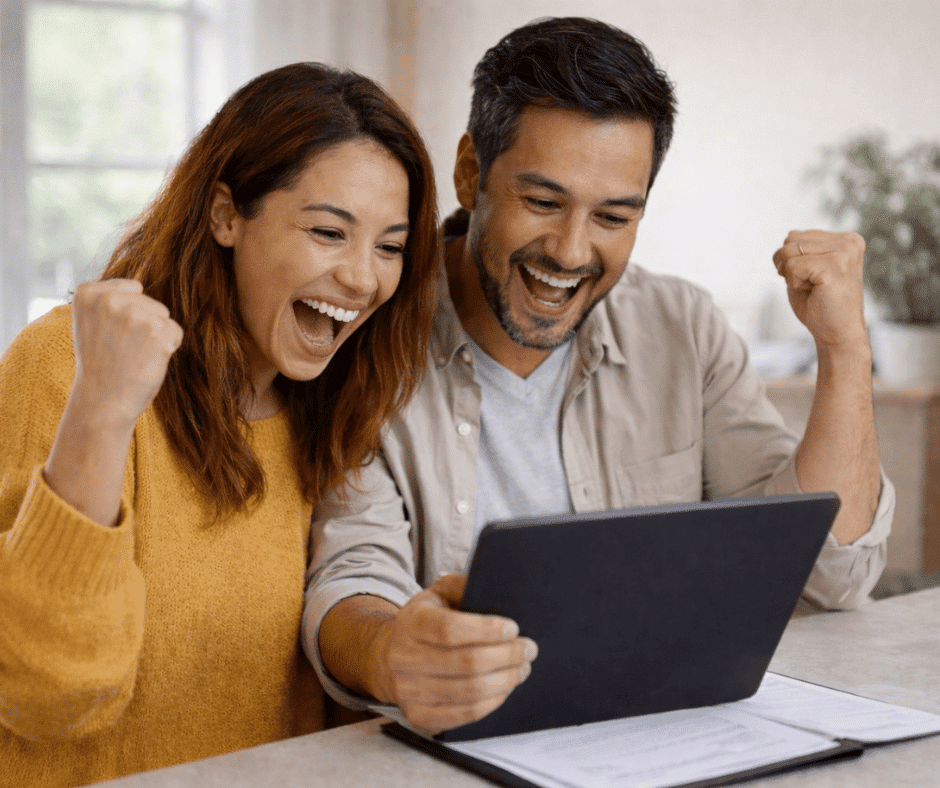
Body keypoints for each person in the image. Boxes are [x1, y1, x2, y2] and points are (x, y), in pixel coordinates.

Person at [304, 17, 895, 735]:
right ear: (469, 173)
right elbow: (351, 573)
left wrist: (845, 348)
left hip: (659, 736)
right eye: (542, 203)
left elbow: (829, 572)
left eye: (613, 216)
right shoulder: (369, 328)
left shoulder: (684, 326)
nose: (570, 251)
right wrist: (393, 653)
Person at [0, 62, 438, 786]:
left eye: (389, 246)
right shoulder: (69, 366)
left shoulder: (331, 408)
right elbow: (48, 695)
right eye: (330, 232)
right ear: (226, 215)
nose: (364, 279)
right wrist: (102, 409)